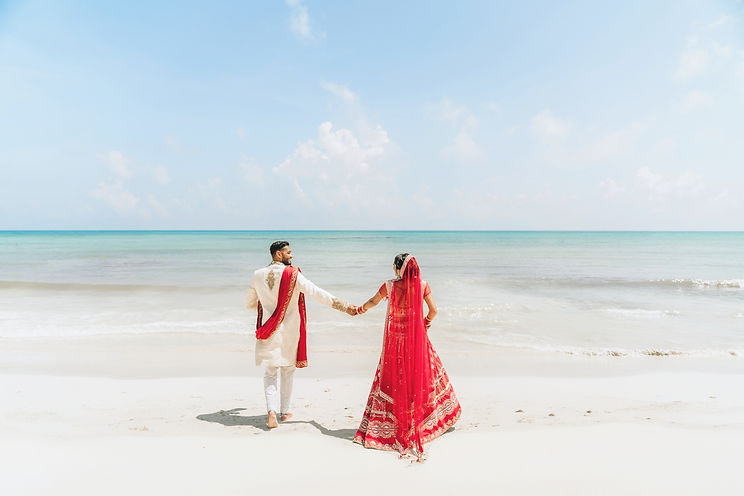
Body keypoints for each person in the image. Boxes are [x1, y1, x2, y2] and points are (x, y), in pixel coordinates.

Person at [352, 253, 461, 459]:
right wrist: (426, 322)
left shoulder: (390, 286)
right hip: (416, 340)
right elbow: (434, 310)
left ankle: (390, 427)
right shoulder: (422, 285)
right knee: (425, 373)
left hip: (396, 340)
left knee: (394, 378)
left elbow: (373, 301)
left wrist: (359, 309)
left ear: (397, 268)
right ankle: (427, 421)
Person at [245, 241, 357, 429]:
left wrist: (265, 305)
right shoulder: (293, 275)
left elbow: (250, 301)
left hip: (267, 330)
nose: (292, 255)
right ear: (278, 254)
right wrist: (345, 307)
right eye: (288, 252)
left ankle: (271, 411)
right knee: (288, 371)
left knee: (270, 373)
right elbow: (317, 293)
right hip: (289, 332)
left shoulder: (258, 275)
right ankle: (284, 412)